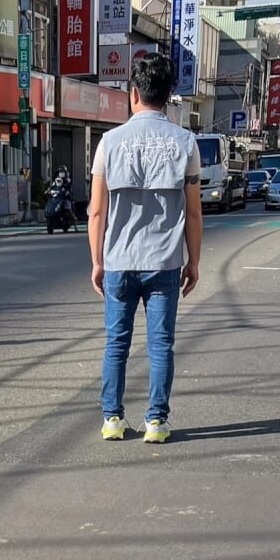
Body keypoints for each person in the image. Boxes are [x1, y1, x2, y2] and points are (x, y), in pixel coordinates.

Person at [88, 52, 203, 444]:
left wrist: (97, 262)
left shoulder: (108, 143)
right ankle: (156, 421)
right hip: (164, 261)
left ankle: (112, 419)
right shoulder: (186, 144)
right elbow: (193, 212)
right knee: (161, 344)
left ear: (133, 94)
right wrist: (194, 262)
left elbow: (96, 212)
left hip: (119, 261)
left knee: (116, 343)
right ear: (168, 95)